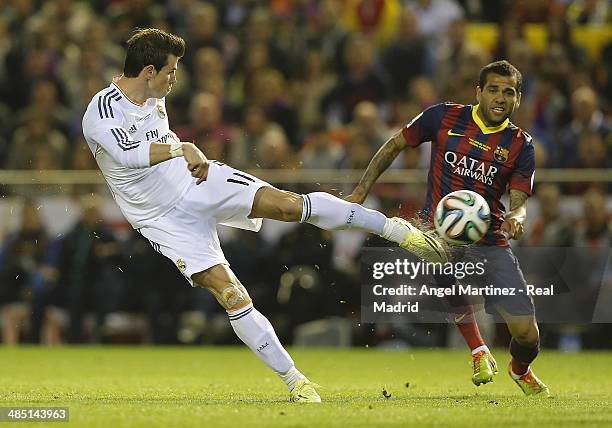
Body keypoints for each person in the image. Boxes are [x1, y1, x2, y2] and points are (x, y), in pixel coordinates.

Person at [81, 28, 446, 403]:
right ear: (147, 71)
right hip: (163, 219)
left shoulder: (152, 94)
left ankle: (399, 232)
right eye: (170, 71)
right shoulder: (102, 111)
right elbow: (126, 155)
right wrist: (182, 147)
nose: (175, 79)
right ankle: (296, 382)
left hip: (196, 179)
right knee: (230, 293)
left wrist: (183, 154)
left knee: (289, 205)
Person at [346, 60, 549, 397]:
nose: (500, 97)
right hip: (440, 228)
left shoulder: (520, 143)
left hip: (489, 238)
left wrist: (517, 217)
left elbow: (520, 198)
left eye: (508, 92)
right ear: (479, 92)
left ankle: (519, 368)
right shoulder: (443, 117)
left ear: (518, 99)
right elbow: (394, 144)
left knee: (528, 335)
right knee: (435, 251)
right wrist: (361, 190)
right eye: (494, 89)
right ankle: (478, 350)